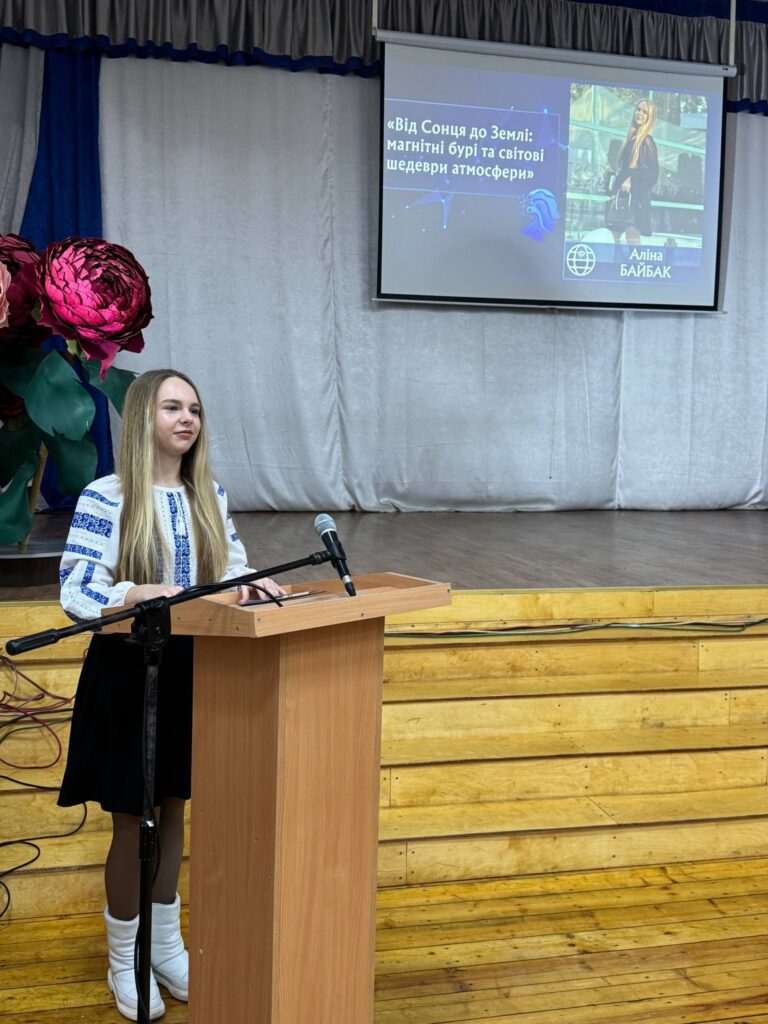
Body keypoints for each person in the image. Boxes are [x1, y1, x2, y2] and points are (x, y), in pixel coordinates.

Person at [57, 368, 284, 1021]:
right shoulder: (107, 496)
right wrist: (132, 592)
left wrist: (250, 584)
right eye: (172, 407)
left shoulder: (208, 495)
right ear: (141, 419)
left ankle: (165, 946)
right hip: (129, 669)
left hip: (190, 664)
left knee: (175, 806)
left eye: (195, 409)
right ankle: (124, 958)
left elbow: (229, 568)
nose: (187, 419)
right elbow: (75, 587)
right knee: (135, 819)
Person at [606, 98, 659, 244]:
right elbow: (625, 169)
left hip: (635, 199)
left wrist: (632, 180)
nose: (639, 113)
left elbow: (653, 173)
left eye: (645, 112)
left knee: (632, 241)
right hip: (622, 197)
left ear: (650, 117)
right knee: (615, 239)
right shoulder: (632, 138)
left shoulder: (647, 141)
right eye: (638, 109)